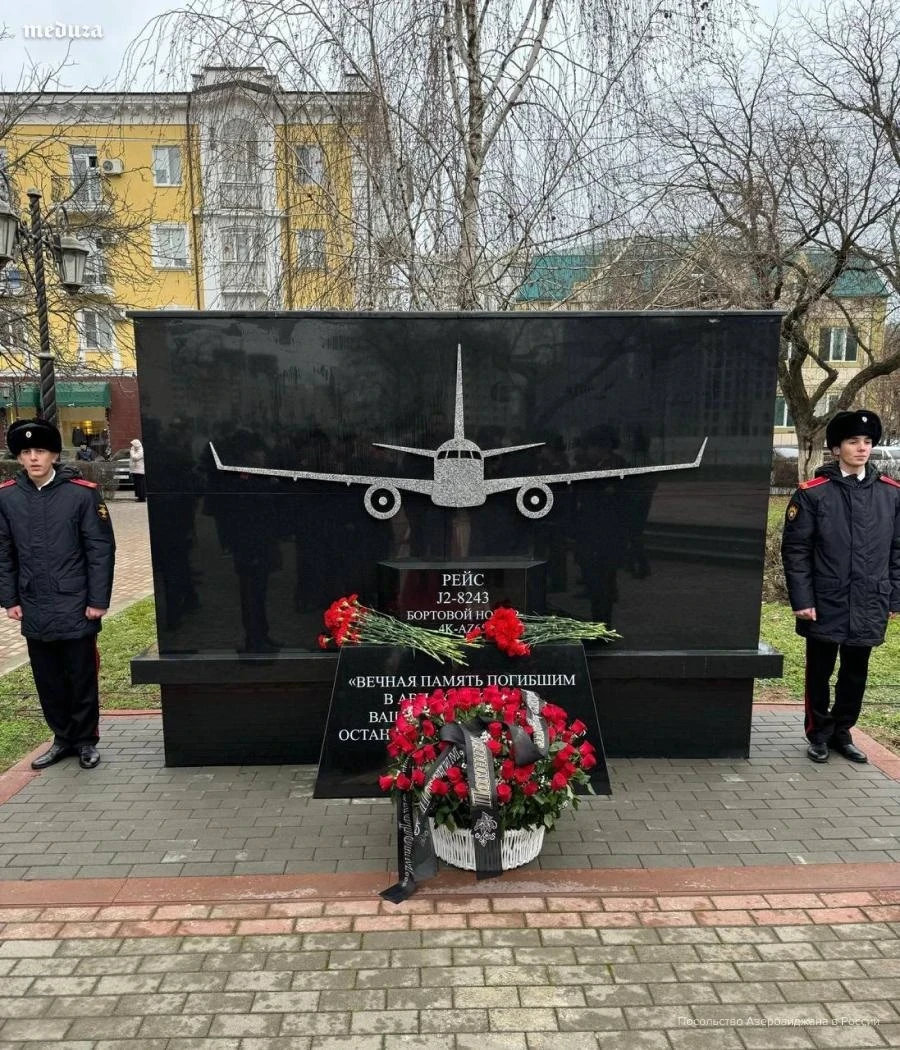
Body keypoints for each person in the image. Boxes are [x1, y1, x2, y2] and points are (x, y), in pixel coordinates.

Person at [781, 409, 900, 764]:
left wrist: (895, 596)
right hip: (825, 600)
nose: (862, 448)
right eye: (853, 442)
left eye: (867, 442)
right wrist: (802, 600)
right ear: (836, 449)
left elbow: (897, 549)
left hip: (869, 600)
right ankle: (818, 733)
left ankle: (843, 732)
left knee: (855, 672)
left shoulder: (890, 494)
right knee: (819, 670)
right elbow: (796, 551)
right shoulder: (813, 493)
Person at [0, 419, 116, 770]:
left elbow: (100, 550)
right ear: (19, 459)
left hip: (76, 603)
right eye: (26, 452)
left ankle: (85, 740)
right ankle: (62, 739)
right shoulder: (7, 497)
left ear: (53, 455)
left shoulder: (81, 493)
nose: (34, 458)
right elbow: (4, 551)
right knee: (47, 678)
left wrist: (98, 600)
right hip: (34, 603)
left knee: (80, 675)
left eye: (40, 451)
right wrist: (10, 599)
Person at [129, 438, 146, 502]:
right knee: (137, 485)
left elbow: (135, 458)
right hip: (135, 470)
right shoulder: (135, 450)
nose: (132, 446)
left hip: (140, 471)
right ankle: (139, 497)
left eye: (133, 444)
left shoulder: (140, 450)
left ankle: (142, 497)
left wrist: (132, 451)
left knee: (140, 485)